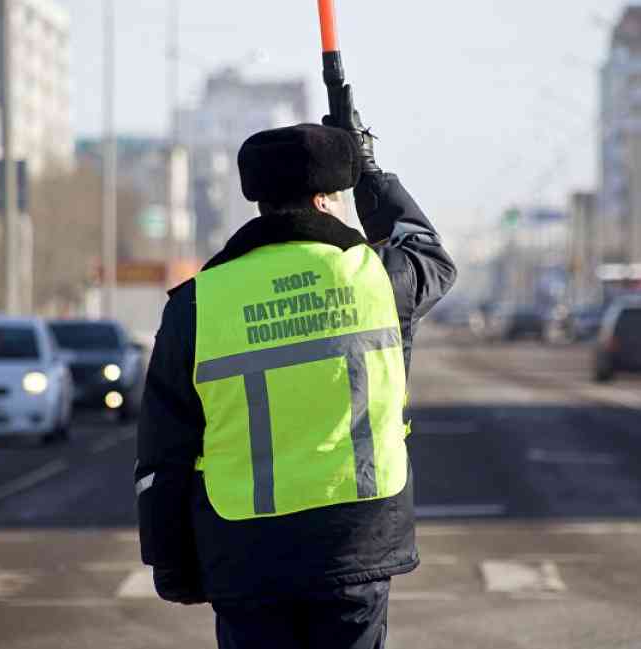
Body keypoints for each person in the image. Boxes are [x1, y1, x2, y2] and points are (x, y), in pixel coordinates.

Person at [135, 97, 456, 648]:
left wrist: (171, 563)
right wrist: (372, 174)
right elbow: (428, 252)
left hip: (245, 554)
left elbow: (164, 449)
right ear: (329, 199)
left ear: (259, 200)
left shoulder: (198, 303)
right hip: (354, 544)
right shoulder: (375, 280)